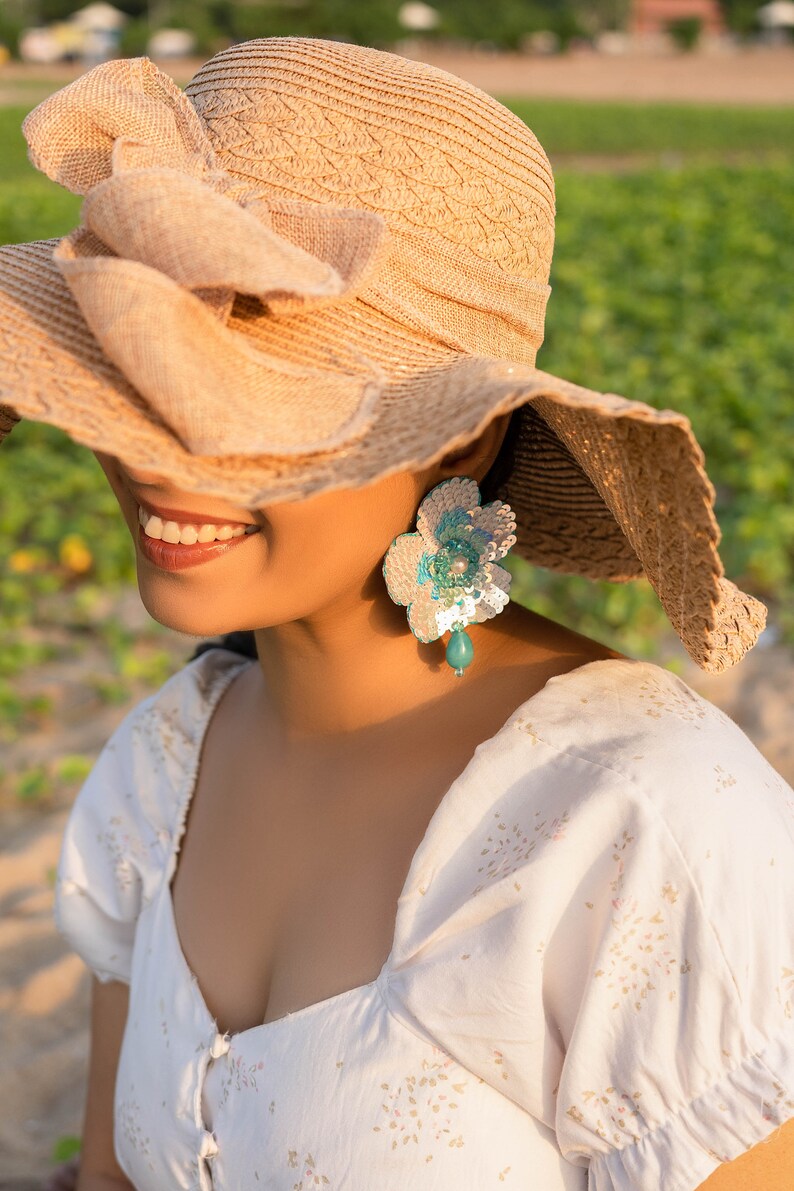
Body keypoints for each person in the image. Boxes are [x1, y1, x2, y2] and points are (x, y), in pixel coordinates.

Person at [1, 36, 792, 1191]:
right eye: (135, 383)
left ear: (458, 435)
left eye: (242, 411)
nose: (165, 470)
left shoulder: (642, 822)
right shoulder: (165, 766)